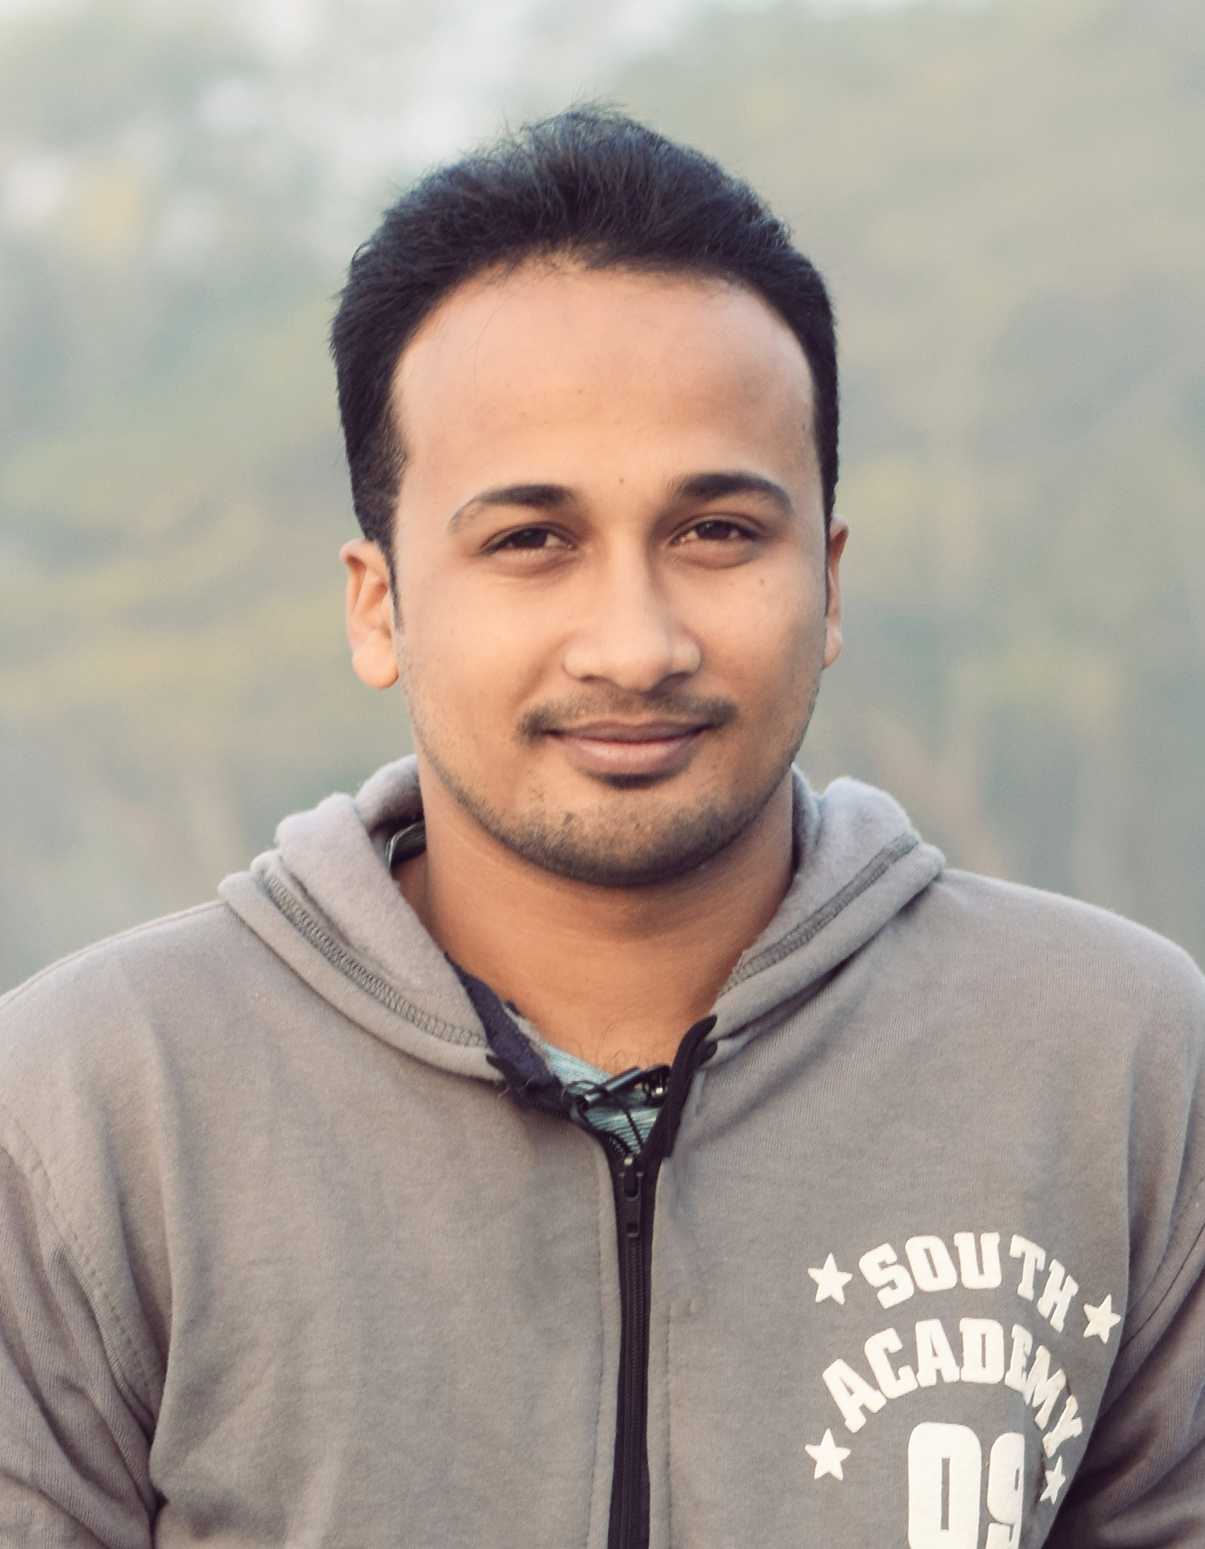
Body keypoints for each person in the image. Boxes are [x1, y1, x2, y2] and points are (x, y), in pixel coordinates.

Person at [1, 107, 1202, 1549]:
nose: (635, 645)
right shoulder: (92, 1109)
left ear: (828, 581)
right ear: (379, 604)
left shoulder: (1117, 1063)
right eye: (531, 540)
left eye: (717, 533)